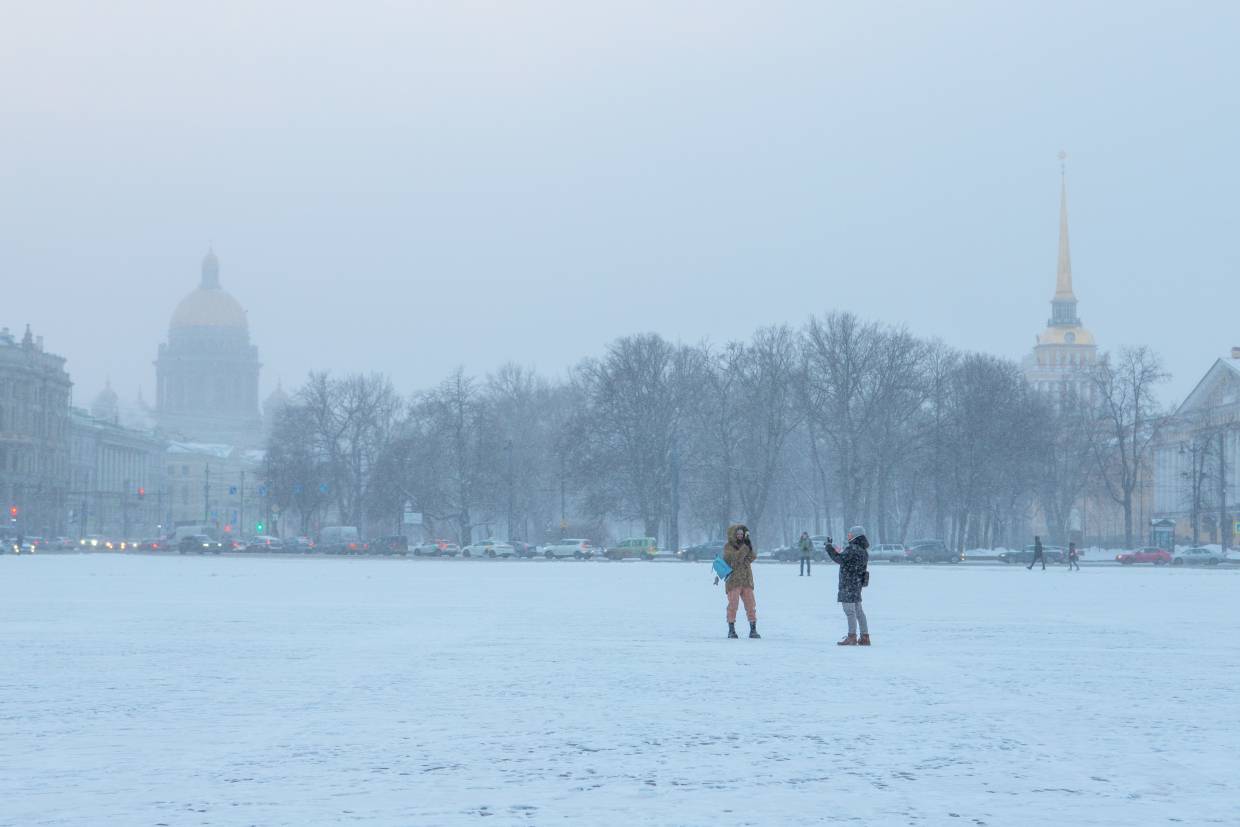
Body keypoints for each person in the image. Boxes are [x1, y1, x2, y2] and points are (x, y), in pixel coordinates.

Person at [826, 526, 870, 646]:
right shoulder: (863, 550)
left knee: (850, 611)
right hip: (856, 584)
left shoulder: (852, 549)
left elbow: (839, 558)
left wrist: (829, 548)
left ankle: (852, 637)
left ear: (856, 536)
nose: (848, 537)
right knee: (859, 611)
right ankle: (865, 637)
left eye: (850, 535)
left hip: (848, 584)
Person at [721, 524, 760, 639]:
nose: (740, 536)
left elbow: (752, 557)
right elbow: (735, 559)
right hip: (733, 581)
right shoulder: (728, 547)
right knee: (733, 605)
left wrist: (749, 546)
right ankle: (731, 630)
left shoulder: (745, 545)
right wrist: (744, 550)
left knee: (751, 605)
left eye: (742, 534)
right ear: (733, 535)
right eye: (737, 534)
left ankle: (753, 629)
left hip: (746, 580)